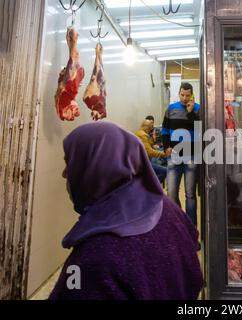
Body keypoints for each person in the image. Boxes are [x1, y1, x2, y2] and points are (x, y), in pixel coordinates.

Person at [49, 122, 203, 300]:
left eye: (70, 163)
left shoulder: (93, 261)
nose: (64, 173)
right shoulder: (167, 208)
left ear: (96, 167)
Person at [161, 83, 201, 228]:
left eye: (187, 95)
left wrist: (191, 113)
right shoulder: (171, 109)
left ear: (192, 95)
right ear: (179, 94)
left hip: (192, 155)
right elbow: (165, 129)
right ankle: (179, 225)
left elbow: (200, 130)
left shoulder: (198, 109)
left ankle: (191, 229)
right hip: (174, 155)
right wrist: (166, 147)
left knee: (190, 195)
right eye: (182, 95)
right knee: (171, 193)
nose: (184, 98)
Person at [136, 118, 168, 184]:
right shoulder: (143, 135)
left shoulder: (140, 132)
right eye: (151, 128)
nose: (151, 130)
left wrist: (153, 139)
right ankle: (152, 187)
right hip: (143, 163)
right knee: (165, 171)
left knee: (160, 160)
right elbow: (150, 152)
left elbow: (149, 145)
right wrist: (164, 154)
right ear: (148, 128)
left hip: (143, 160)